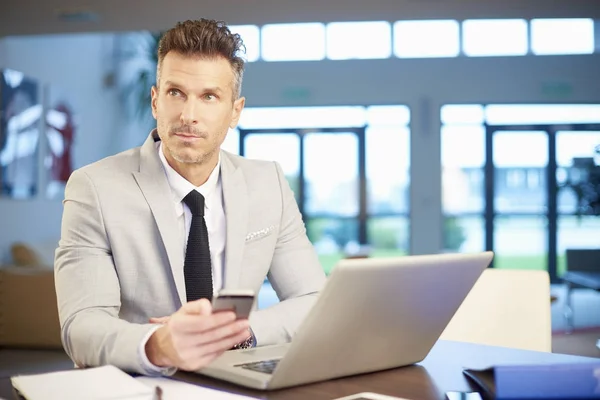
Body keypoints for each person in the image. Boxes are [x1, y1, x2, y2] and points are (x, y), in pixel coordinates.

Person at [54, 18, 327, 376]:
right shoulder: (94, 188)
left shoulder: (268, 184)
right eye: (175, 93)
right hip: (142, 384)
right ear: (155, 101)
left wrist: (238, 333)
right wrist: (159, 344)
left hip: (240, 381)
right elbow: (81, 326)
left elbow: (313, 301)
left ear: (235, 111)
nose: (188, 115)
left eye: (209, 97)